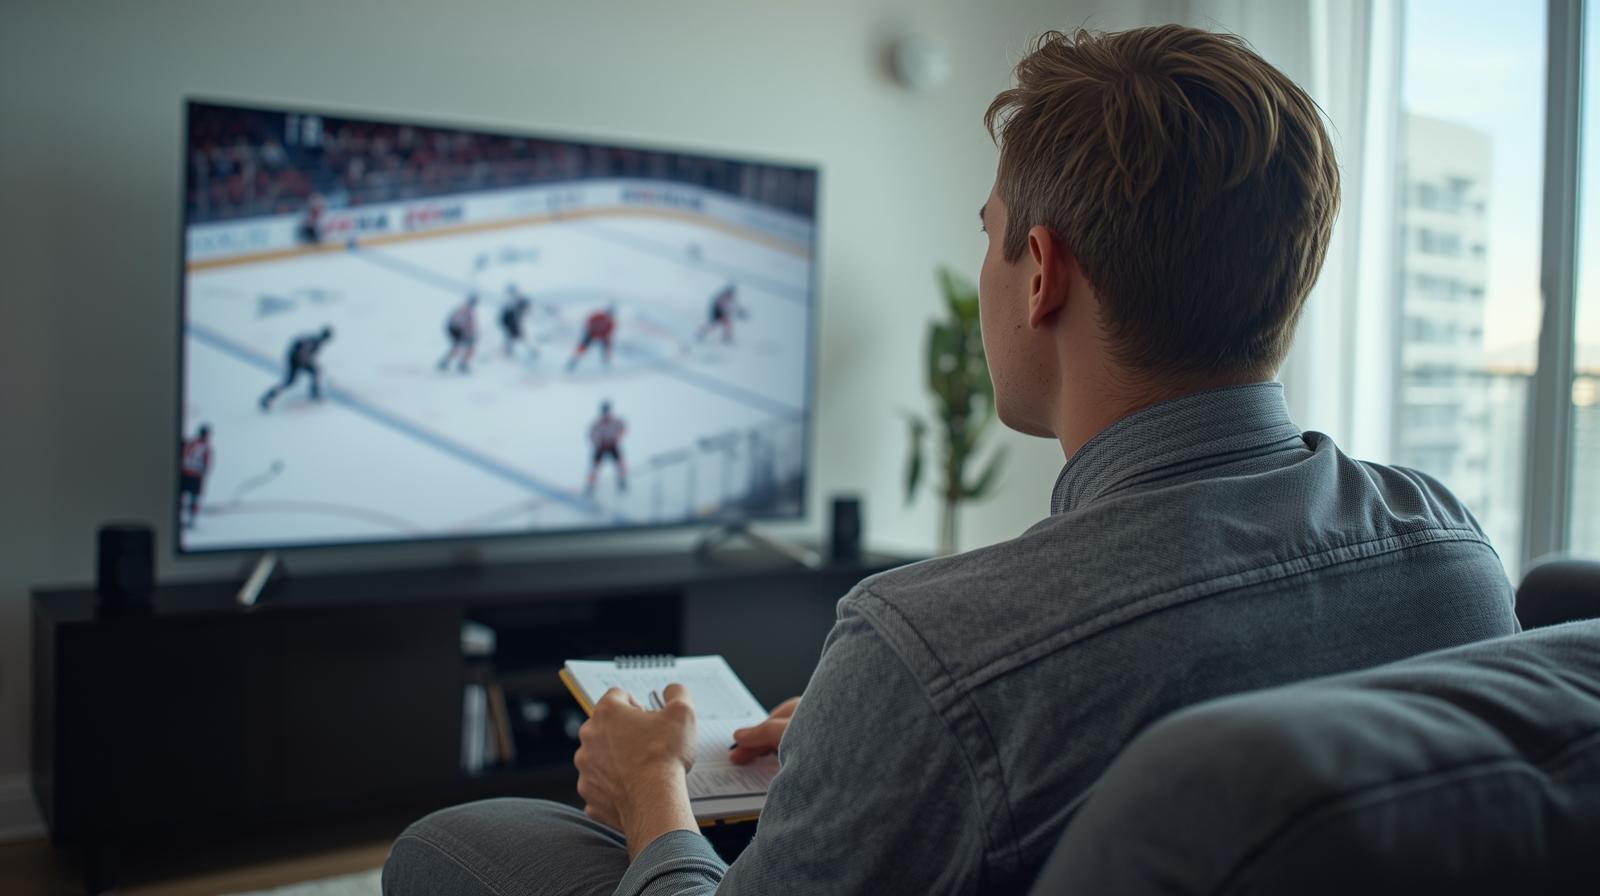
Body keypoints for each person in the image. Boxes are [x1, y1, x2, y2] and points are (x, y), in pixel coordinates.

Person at [384, 26, 1520, 895]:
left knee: (451, 840)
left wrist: (654, 797)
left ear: (1040, 273)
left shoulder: (928, 645)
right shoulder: (1454, 549)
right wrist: (862, 736)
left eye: (984, 234)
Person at [259, 326, 333, 409]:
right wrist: (305, 363)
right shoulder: (314, 342)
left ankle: (314, 393)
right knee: (290, 381)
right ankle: (268, 397)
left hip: (297, 360)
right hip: (296, 361)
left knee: (313, 372)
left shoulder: (314, 341)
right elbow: (302, 354)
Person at [584, 401, 627, 495]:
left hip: (612, 446)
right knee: (595, 467)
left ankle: (622, 482)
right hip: (601, 447)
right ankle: (590, 486)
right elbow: (591, 435)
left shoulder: (615, 422)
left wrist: (616, 437)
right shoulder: (597, 424)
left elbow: (622, 429)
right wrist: (598, 442)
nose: (606, 414)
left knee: (620, 464)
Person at [178, 424, 213, 528]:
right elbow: (206, 463)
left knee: (182, 497)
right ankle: (191, 520)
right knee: (193, 498)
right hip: (195, 475)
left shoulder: (190, 442)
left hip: (184, 473)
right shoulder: (205, 446)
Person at [566, 304, 617, 372]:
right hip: (591, 334)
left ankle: (606, 363)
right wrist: (592, 330)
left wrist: (602, 335)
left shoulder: (611, 321)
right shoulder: (598, 316)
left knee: (606, 347)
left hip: (602, 336)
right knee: (582, 347)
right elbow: (588, 321)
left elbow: (610, 331)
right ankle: (573, 361)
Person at [439, 295, 479, 373]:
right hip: (457, 330)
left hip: (455, 330)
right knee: (468, 346)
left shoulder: (464, 309)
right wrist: (470, 334)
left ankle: (447, 362)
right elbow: (465, 324)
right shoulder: (467, 311)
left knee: (458, 346)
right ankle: (462, 364)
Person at [500, 286, 535, 358]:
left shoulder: (516, 302)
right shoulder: (510, 304)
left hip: (516, 325)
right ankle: (510, 352)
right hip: (513, 326)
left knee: (521, 339)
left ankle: (530, 352)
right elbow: (504, 319)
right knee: (514, 339)